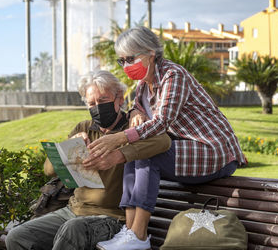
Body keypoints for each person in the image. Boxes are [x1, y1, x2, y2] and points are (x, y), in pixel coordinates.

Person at [86, 26, 247, 250]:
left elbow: (162, 121)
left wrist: (119, 138)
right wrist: (135, 112)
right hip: (188, 153)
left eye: (131, 58)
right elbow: (137, 110)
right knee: (135, 153)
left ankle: (139, 236)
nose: (126, 66)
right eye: (122, 60)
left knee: (147, 155)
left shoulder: (173, 75)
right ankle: (129, 231)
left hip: (214, 151)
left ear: (151, 53)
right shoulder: (143, 85)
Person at [5, 70, 171, 250]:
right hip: (73, 211)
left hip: (112, 218)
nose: (97, 108)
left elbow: (164, 141)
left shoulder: (133, 127)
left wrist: (118, 154)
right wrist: (69, 145)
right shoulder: (84, 127)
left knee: (72, 231)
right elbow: (48, 170)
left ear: (120, 99)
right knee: (17, 237)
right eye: (92, 103)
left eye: (103, 101)